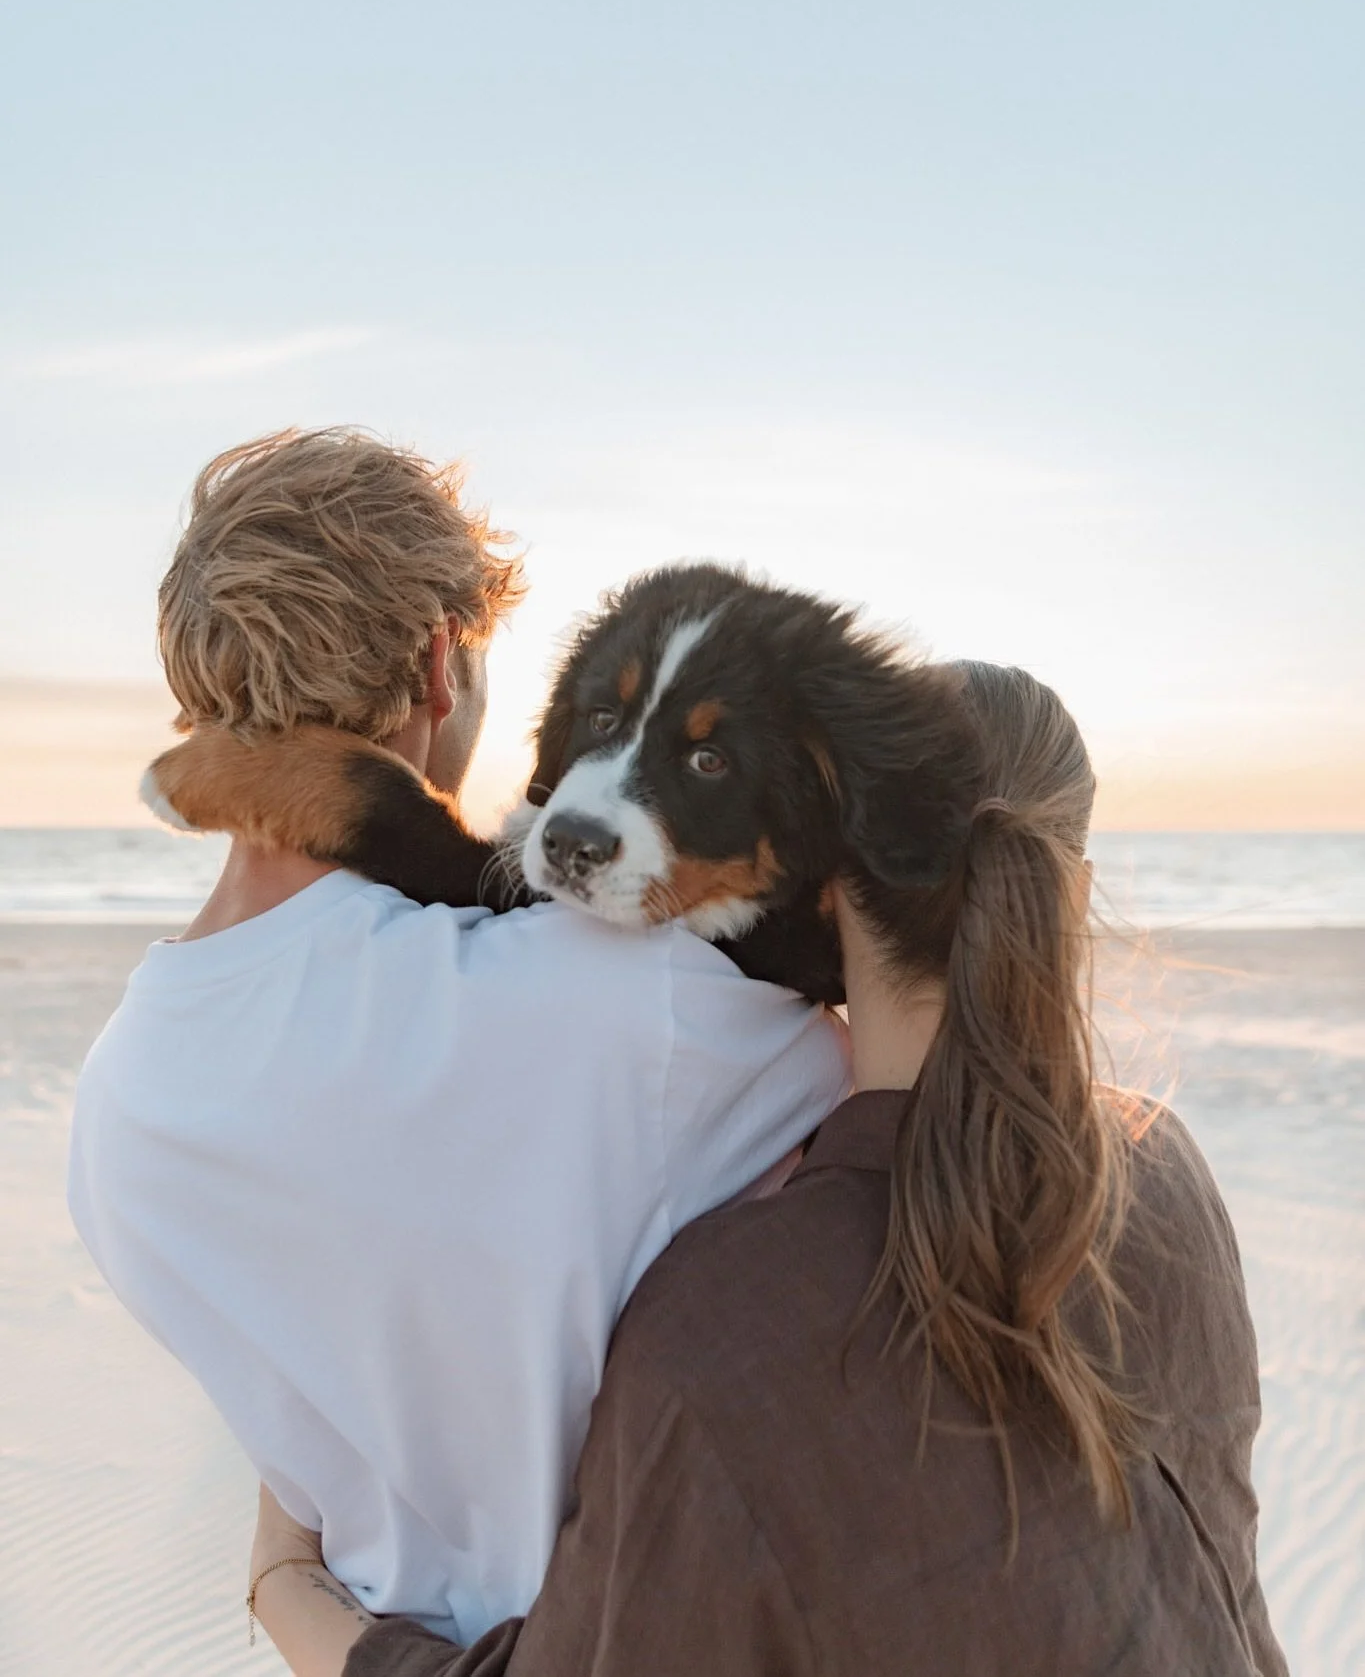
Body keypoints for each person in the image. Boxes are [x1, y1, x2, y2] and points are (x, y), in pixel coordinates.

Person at [249, 661, 1286, 1677]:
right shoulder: (1165, 1174)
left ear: (819, 888)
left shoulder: (727, 1318)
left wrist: (286, 1580)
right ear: (1070, 893)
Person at [67, 429, 849, 1645]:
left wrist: (283, 1582)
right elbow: (877, 1083)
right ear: (444, 662)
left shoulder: (113, 1114)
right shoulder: (631, 1002)